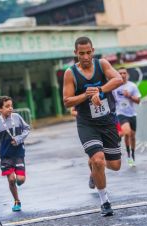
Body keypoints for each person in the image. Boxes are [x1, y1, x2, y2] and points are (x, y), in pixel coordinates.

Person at [63, 36, 123, 216]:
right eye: (81, 53)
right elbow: (67, 101)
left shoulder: (102, 64)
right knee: (98, 160)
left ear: (93, 51)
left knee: (115, 165)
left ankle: (94, 171)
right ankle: (105, 201)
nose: (86, 57)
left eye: (88, 52)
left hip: (107, 121)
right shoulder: (70, 73)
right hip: (87, 123)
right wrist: (86, 95)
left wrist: (100, 90)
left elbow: (118, 79)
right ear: (75, 53)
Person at [0, 96, 30, 212]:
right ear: (0, 109)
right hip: (5, 156)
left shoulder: (17, 117)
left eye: (11, 106)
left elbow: (27, 129)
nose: (10, 108)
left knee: (20, 180)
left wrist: (19, 139)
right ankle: (17, 201)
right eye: (7, 106)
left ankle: (18, 181)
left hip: (19, 154)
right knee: (11, 179)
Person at [113, 67, 141, 167]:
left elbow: (138, 100)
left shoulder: (132, 86)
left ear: (127, 75)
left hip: (132, 114)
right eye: (120, 73)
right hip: (120, 113)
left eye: (124, 73)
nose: (122, 75)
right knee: (127, 132)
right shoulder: (114, 87)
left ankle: (131, 154)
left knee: (132, 136)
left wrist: (129, 96)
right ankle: (128, 155)